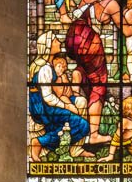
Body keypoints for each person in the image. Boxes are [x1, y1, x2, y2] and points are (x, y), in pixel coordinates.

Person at [65, 0, 125, 146]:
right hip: (90, 43)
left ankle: (77, 77)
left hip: (74, 38)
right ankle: (94, 133)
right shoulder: (111, 3)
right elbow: (126, 30)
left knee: (84, 70)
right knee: (99, 85)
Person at [29, 32, 91, 160]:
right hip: (47, 109)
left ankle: (76, 149)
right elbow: (47, 97)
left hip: (57, 102)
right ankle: (39, 142)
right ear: (48, 46)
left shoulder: (54, 65)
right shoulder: (44, 68)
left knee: (81, 102)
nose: (58, 41)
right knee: (83, 125)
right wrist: (67, 106)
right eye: (55, 40)